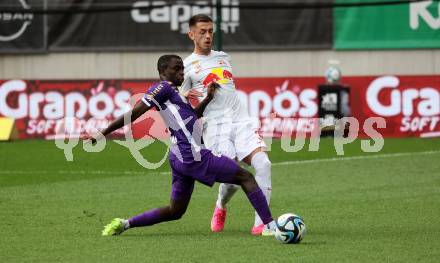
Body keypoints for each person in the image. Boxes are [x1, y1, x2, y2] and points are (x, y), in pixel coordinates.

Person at [84, 55, 276, 236]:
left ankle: (125, 224)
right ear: (162, 72)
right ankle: (270, 226)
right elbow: (134, 113)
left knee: (175, 211)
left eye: (183, 69)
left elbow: (192, 118)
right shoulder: (163, 87)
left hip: (178, 158)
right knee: (246, 177)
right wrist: (103, 133)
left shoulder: (175, 94)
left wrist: (208, 98)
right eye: (176, 69)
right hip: (192, 155)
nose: (182, 73)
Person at [180, 14, 273, 235]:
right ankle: (221, 206)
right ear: (191, 34)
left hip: (241, 121)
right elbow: (178, 98)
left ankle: (263, 223)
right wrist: (185, 93)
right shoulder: (186, 66)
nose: (208, 35)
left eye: (211, 31)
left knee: (263, 164)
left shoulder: (223, 57)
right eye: (202, 31)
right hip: (215, 127)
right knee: (231, 179)